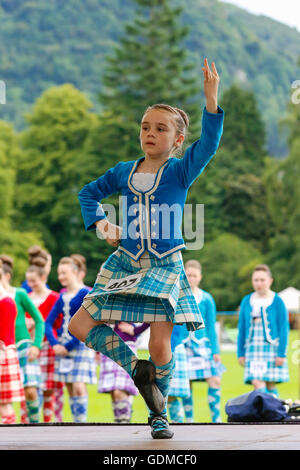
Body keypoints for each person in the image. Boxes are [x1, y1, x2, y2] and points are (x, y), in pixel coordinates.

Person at [69, 58, 224, 439]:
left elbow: (209, 145)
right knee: (79, 324)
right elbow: (88, 193)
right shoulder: (123, 170)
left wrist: (210, 99)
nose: (149, 133)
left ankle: (159, 416)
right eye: (145, 126)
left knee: (159, 343)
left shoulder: (180, 170)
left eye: (160, 128)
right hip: (124, 262)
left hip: (165, 265)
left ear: (177, 140)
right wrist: (103, 223)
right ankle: (135, 369)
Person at [45, 256, 96, 423]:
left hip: (79, 344)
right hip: (62, 346)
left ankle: (82, 424)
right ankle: (76, 422)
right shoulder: (62, 296)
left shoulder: (85, 293)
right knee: (69, 387)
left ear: (75, 272)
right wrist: (55, 344)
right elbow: (49, 322)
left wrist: (68, 345)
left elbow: (87, 322)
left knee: (79, 385)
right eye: (59, 273)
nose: (60, 277)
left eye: (64, 273)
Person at [0, 254, 45, 424]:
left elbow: (39, 320)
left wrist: (36, 345)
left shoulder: (19, 294)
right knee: (7, 396)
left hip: (24, 346)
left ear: (7, 275)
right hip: (4, 348)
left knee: (30, 391)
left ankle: (34, 425)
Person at [182, 259, 225, 423]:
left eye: (194, 275)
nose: (191, 278)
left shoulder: (207, 298)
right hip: (184, 345)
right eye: (188, 275)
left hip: (203, 345)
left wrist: (216, 351)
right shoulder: (179, 296)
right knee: (187, 382)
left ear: (200, 277)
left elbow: (211, 325)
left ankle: (216, 418)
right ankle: (189, 419)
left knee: (215, 378)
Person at [237, 264, 289, 397]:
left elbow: (284, 328)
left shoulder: (277, 301)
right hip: (253, 348)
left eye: (262, 280)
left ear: (270, 281)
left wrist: (281, 353)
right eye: (256, 280)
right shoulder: (246, 300)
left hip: (272, 348)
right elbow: (242, 328)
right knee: (257, 382)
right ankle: (264, 414)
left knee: (270, 384)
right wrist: (240, 353)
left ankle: (275, 414)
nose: (259, 283)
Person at [25, 247, 60, 423]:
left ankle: (47, 421)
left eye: (34, 281)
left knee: (48, 388)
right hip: (30, 347)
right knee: (30, 385)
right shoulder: (26, 298)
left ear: (43, 278)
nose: (31, 284)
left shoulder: (53, 297)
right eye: (29, 281)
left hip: (47, 347)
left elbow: (59, 323)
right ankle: (29, 421)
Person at [98, 321, 149, 423]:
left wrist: (135, 330)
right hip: (107, 348)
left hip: (125, 346)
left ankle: (123, 424)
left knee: (119, 390)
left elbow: (153, 312)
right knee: (114, 392)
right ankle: (121, 423)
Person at [0, 260, 25, 424]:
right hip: (6, 351)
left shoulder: (6, 302)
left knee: (4, 404)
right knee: (4, 404)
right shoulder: (7, 300)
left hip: (3, 352)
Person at [167, 324, 191, 423]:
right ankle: (177, 423)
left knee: (169, 394)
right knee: (162, 394)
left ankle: (178, 424)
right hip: (163, 348)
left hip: (172, 348)